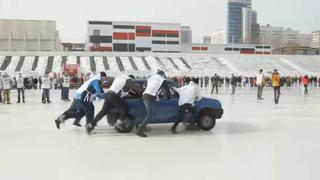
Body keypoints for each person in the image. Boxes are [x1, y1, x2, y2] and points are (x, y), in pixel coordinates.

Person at [136, 70, 171, 137]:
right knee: (150, 115)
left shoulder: (150, 78)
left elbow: (146, 86)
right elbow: (167, 89)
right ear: (162, 75)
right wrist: (168, 98)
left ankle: (143, 127)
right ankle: (139, 131)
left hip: (145, 96)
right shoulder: (162, 79)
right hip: (149, 97)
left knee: (148, 114)